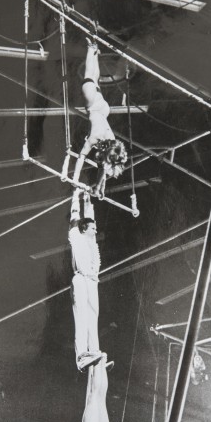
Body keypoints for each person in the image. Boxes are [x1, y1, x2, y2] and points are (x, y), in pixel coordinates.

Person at [68, 38, 128, 197]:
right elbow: (81, 157)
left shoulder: (112, 140)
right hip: (93, 104)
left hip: (103, 108)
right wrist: (75, 179)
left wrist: (100, 188)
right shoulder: (94, 139)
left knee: (95, 78)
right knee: (89, 76)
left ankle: (94, 51)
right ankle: (91, 47)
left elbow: (103, 167)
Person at [68, 188, 104, 371]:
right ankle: (81, 356)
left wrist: (88, 198)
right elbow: (75, 218)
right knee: (81, 316)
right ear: (84, 229)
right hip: (80, 280)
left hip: (92, 281)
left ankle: (94, 352)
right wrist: (76, 197)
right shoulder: (76, 236)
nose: (95, 230)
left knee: (92, 316)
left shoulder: (91, 241)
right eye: (93, 228)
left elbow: (90, 217)